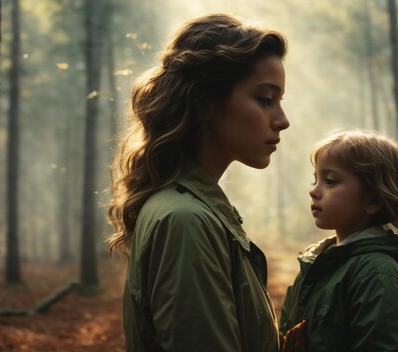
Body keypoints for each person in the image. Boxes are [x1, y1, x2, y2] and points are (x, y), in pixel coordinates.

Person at [107, 13, 289, 352]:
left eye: (280, 101)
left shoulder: (192, 211)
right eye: (265, 100)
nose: (282, 120)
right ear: (206, 103)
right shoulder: (185, 221)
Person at [280, 130, 398, 352]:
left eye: (330, 181)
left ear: (374, 200)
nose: (314, 191)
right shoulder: (317, 262)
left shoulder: (377, 274)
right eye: (315, 179)